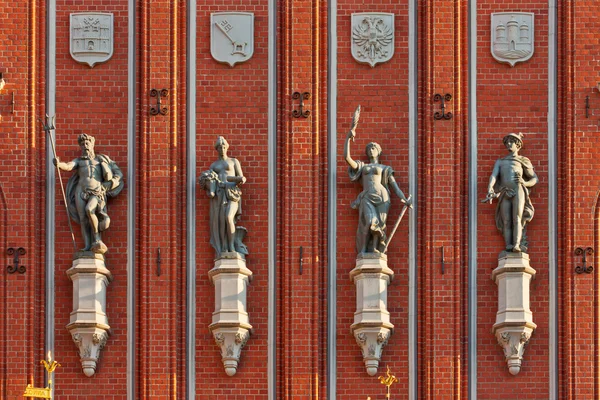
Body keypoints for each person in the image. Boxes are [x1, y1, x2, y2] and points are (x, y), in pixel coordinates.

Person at [344, 130, 411, 255]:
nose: (371, 150)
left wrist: (404, 199)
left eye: (373, 148)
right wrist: (348, 139)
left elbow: (395, 187)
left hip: (382, 197)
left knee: (380, 225)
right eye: (369, 148)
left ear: (378, 151)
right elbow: (347, 158)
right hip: (367, 197)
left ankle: (375, 249)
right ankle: (363, 250)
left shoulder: (385, 169)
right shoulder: (362, 166)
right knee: (368, 222)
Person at [54, 134, 124, 254]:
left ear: (92, 145)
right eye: (82, 144)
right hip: (80, 191)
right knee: (83, 219)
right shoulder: (79, 161)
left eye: (87, 143)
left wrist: (110, 184)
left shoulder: (101, 160)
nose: (85, 146)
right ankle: (87, 245)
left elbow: (118, 174)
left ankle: (97, 239)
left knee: (89, 209)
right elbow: (68, 166)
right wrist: (59, 164)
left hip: (96, 191)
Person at [484, 132, 538, 253]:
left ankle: (517, 244)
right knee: (506, 220)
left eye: (511, 142)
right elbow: (494, 175)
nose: (508, 144)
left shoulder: (522, 160)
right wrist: (490, 188)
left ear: (518, 145)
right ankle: (508, 244)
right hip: (505, 191)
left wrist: (524, 183)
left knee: (517, 217)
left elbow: (534, 178)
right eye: (507, 142)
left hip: (518, 189)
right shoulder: (501, 161)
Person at [199, 136, 248, 257]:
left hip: (232, 193)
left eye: (224, 146)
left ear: (227, 147)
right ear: (217, 149)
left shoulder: (233, 161)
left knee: (228, 217)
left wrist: (239, 179)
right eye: (220, 147)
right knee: (221, 222)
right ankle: (224, 247)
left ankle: (232, 246)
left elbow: (241, 177)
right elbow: (209, 180)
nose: (222, 149)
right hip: (219, 194)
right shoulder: (214, 166)